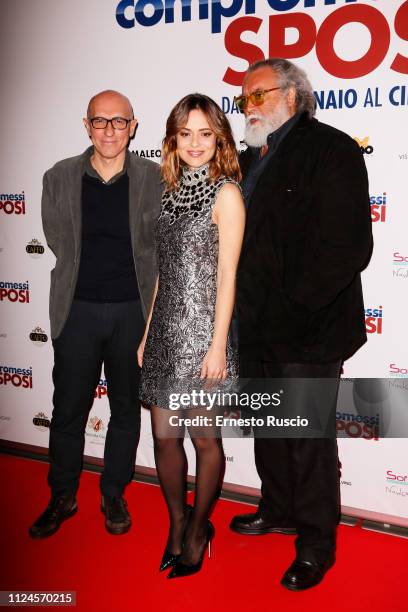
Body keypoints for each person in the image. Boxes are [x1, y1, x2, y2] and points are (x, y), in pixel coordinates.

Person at [230, 59, 372, 591]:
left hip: (308, 328)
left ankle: (316, 541)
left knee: (308, 439)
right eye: (244, 99)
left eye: (258, 95)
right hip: (256, 323)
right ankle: (278, 508)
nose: (249, 106)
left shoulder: (331, 150)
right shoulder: (248, 160)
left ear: (292, 94)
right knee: (270, 429)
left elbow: (348, 247)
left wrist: (292, 307)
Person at [29, 90, 162, 539]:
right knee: (68, 410)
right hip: (77, 311)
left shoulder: (156, 178)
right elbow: (58, 240)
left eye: (118, 122)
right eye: (100, 122)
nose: (109, 130)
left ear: (134, 126)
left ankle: (113, 492)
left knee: (126, 409)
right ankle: (62, 495)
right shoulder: (60, 176)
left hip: (134, 312)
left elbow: (158, 248)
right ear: (86, 126)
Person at [138, 94, 245, 578]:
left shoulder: (227, 193)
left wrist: (218, 344)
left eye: (205, 133)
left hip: (205, 334)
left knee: (204, 440)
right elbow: (163, 272)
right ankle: (176, 523)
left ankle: (200, 530)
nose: (196, 143)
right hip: (165, 332)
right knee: (164, 438)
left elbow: (228, 275)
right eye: (186, 134)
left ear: (218, 138)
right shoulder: (169, 190)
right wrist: (147, 333)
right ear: (173, 140)